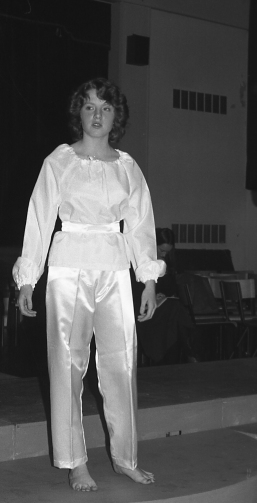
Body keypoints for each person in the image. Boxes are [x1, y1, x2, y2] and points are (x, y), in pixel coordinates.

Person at [13, 77, 165, 491]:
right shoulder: (59, 161)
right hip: (68, 269)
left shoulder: (127, 167)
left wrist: (148, 280)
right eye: (90, 107)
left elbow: (140, 225)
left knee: (122, 364)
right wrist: (28, 278)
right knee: (66, 365)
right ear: (78, 113)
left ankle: (126, 458)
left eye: (106, 108)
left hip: (114, 269)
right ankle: (75, 462)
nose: (97, 115)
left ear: (117, 116)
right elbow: (40, 219)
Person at [133, 227, 197, 364]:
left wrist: (162, 295)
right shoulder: (142, 261)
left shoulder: (168, 262)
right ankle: (190, 352)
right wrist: (153, 295)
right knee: (176, 312)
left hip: (162, 307)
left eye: (167, 252)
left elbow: (172, 288)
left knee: (174, 314)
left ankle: (186, 354)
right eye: (161, 250)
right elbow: (136, 290)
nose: (164, 254)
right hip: (143, 309)